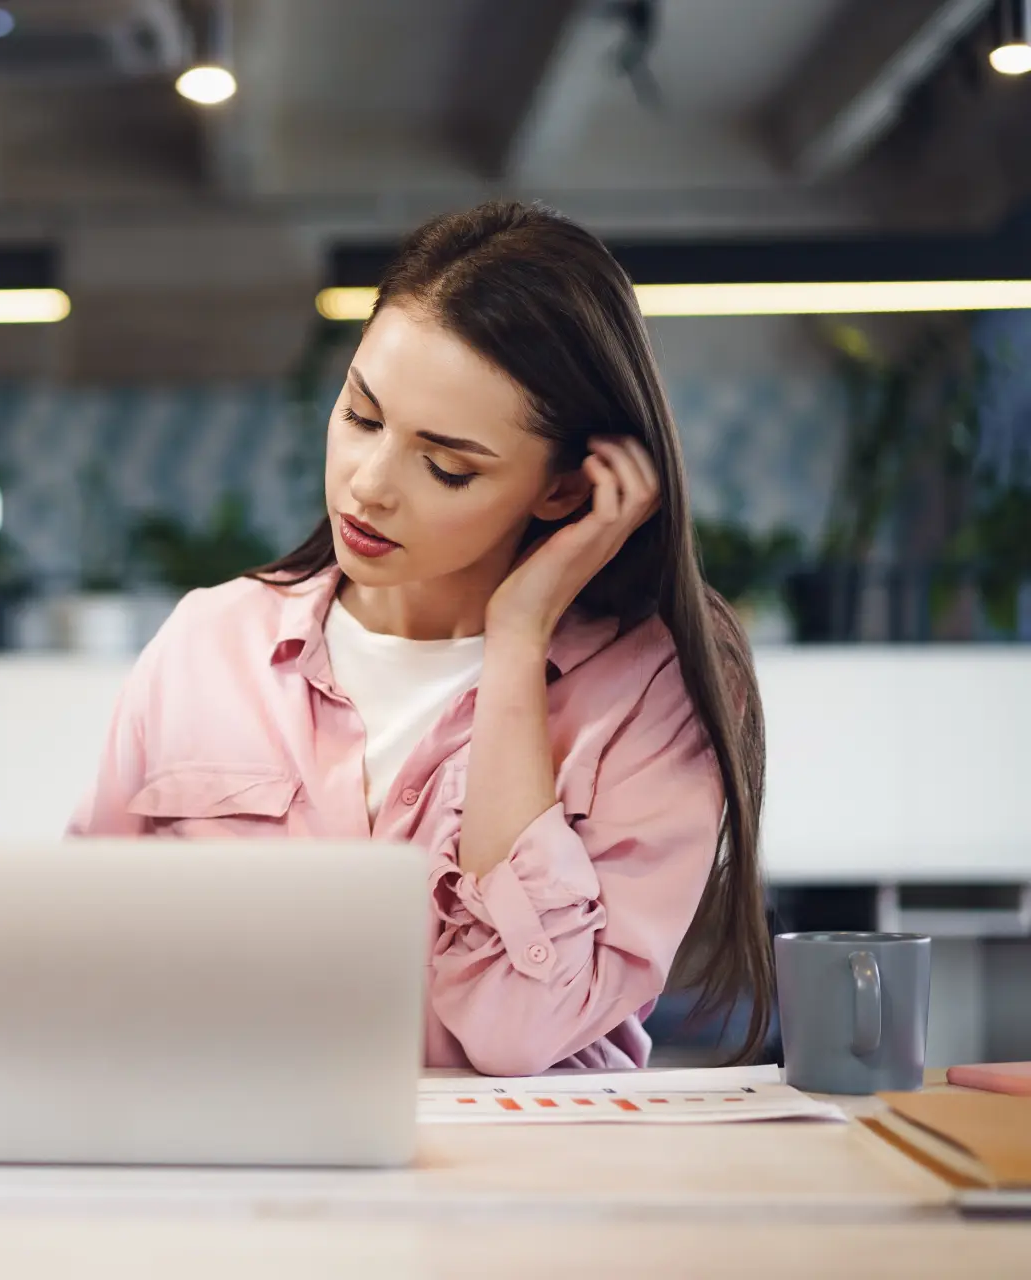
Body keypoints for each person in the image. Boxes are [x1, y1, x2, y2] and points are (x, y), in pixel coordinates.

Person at [71, 201, 770, 1075]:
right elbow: (83, 964)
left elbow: (518, 1029)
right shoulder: (209, 643)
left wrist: (518, 639)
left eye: (446, 467)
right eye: (361, 417)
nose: (368, 485)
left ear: (561, 491)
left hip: (521, 1185)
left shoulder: (645, 694)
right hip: (236, 1172)